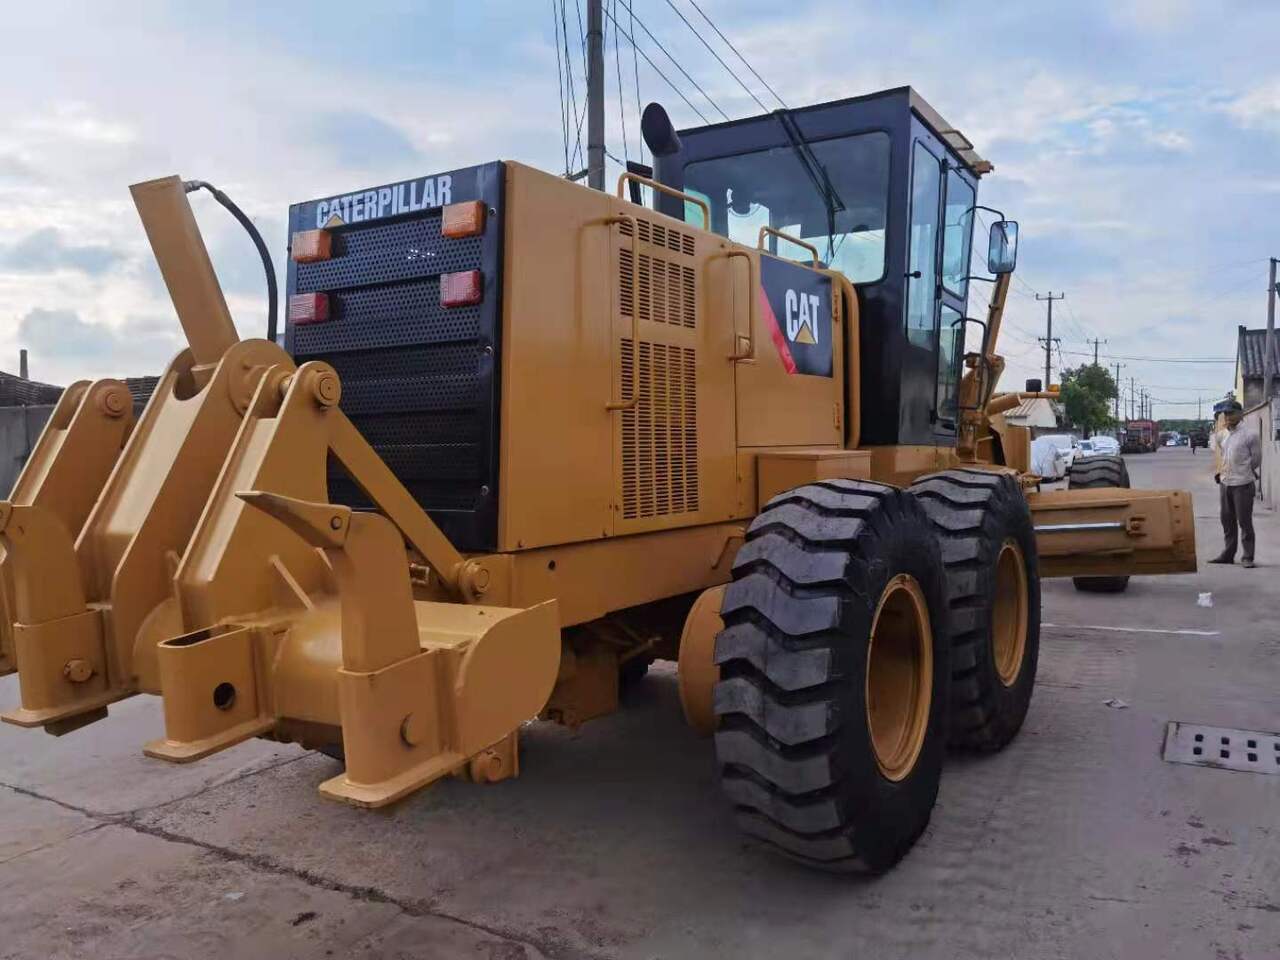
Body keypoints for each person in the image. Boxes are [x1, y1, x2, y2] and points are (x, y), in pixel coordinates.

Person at [1208, 398, 1261, 568]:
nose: (1228, 416)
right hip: (1225, 483)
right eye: (1226, 413)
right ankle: (1228, 554)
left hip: (1243, 484)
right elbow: (1223, 456)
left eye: (1231, 413)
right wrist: (1221, 473)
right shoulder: (1221, 435)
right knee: (1227, 520)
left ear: (1240, 414)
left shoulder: (1250, 435)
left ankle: (1247, 557)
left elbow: (1256, 460)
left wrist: (1244, 471)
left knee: (1244, 521)